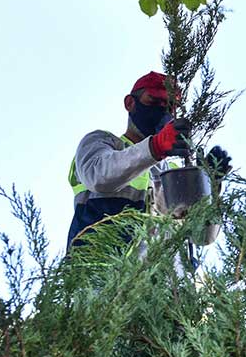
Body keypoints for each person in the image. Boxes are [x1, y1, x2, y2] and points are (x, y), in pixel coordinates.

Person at [65, 71, 232, 256]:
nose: (161, 111)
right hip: (99, 277)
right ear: (130, 103)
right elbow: (99, 177)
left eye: (169, 106)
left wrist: (209, 188)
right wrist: (155, 147)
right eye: (153, 102)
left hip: (160, 282)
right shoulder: (101, 143)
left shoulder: (174, 175)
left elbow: (201, 236)